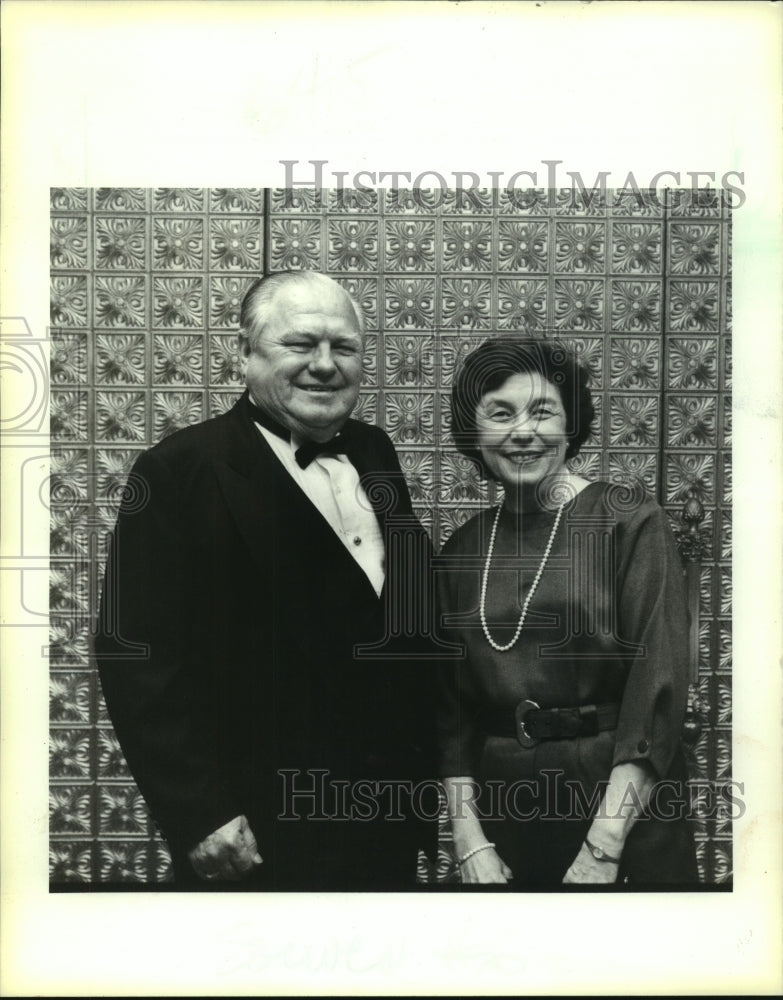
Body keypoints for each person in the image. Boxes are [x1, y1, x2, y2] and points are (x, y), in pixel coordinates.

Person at [95, 270, 438, 890]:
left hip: (383, 820)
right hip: (257, 831)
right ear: (246, 355)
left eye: (345, 347)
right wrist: (200, 814)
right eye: (301, 344)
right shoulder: (178, 470)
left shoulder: (376, 451)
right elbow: (135, 654)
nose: (326, 366)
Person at [437, 336, 698, 887]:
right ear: (474, 431)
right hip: (506, 817)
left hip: (625, 813)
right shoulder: (462, 549)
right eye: (501, 414)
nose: (524, 432)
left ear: (570, 422)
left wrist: (603, 847)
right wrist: (469, 841)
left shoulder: (628, 521)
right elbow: (450, 715)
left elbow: (658, 689)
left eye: (543, 411)